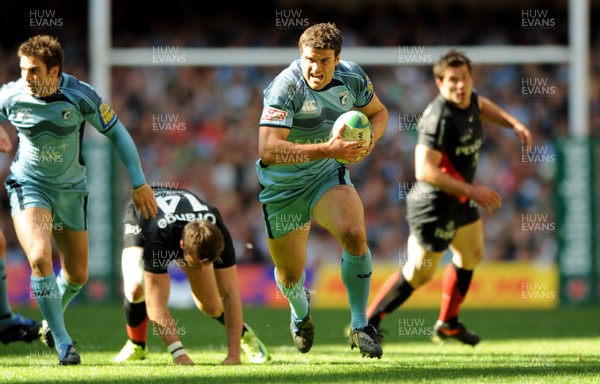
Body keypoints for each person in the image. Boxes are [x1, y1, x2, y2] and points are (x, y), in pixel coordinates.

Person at [0, 35, 158, 365]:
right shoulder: (12, 94)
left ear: (54, 71)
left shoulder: (80, 95)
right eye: (22, 70)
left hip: (71, 192)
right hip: (29, 186)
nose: (25, 78)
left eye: (34, 71)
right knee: (41, 258)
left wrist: (139, 182)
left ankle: (49, 322)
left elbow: (118, 133)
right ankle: (62, 341)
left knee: (77, 276)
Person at [366, 49, 532, 345]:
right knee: (419, 274)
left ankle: (448, 323)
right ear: (439, 84)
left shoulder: (469, 99)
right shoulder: (437, 118)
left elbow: (482, 106)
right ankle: (368, 322)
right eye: (453, 80)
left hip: (460, 199)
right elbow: (424, 171)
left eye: (465, 78)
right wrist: (473, 191)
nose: (460, 85)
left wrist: (513, 124)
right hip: (434, 205)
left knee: (471, 254)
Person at [256, 22, 388, 359]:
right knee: (290, 273)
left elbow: (379, 113)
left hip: (326, 176)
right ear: (301, 55)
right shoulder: (286, 87)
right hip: (282, 188)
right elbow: (268, 149)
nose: (316, 68)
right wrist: (327, 149)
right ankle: (300, 313)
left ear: (338, 58)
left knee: (354, 233)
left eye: (324, 60)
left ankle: (360, 326)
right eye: (309, 59)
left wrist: (370, 140)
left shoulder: (353, 77)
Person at [113, 187, 270, 365]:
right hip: (144, 212)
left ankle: (246, 335)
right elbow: (155, 302)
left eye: (207, 263)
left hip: (182, 220)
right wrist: (178, 354)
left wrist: (234, 355)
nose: (203, 269)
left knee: (211, 306)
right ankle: (137, 344)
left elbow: (230, 293)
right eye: (197, 263)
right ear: (181, 247)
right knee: (135, 288)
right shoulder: (157, 237)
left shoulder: (217, 230)